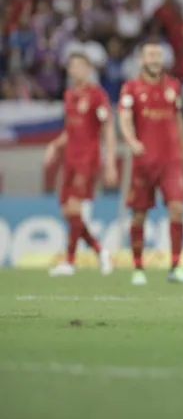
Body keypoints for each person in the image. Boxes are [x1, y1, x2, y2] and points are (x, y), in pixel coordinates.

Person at [118, 40, 183, 286]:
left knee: (178, 209)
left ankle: (176, 266)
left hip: (170, 160)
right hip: (144, 161)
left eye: (158, 55)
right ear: (141, 60)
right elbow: (124, 117)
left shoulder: (173, 86)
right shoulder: (131, 88)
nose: (154, 59)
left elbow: (178, 119)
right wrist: (131, 141)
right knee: (139, 215)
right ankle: (138, 267)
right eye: (150, 55)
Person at [44, 52, 119, 276]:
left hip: (88, 159)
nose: (75, 70)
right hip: (70, 159)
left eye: (79, 66)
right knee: (68, 211)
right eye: (72, 66)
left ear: (88, 69)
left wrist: (111, 162)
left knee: (75, 207)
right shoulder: (69, 95)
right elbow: (71, 129)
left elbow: (107, 128)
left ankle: (70, 261)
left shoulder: (97, 95)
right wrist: (54, 146)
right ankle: (101, 252)